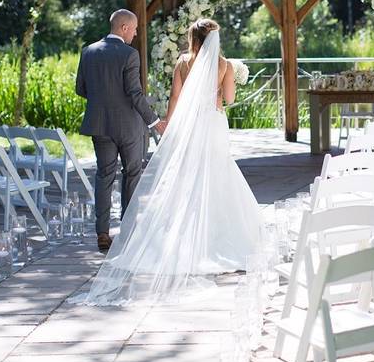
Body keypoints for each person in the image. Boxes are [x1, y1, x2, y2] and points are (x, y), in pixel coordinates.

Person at [73, 19, 262, 305]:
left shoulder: (183, 62)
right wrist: (230, 78)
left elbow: (175, 97)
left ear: (193, 38)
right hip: (213, 125)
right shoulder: (225, 65)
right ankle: (220, 241)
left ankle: (160, 239)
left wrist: (170, 127)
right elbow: (229, 98)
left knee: (184, 180)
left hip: (188, 126)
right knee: (218, 177)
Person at [75, 9, 166, 254]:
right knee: (132, 173)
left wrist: (103, 100)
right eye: (134, 29)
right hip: (128, 126)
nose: (136, 34)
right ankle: (127, 232)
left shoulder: (88, 52)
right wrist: (155, 121)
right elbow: (135, 94)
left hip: (100, 125)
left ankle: (102, 234)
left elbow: (81, 89)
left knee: (104, 176)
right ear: (124, 27)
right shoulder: (129, 54)